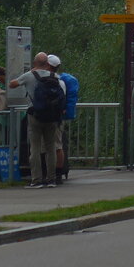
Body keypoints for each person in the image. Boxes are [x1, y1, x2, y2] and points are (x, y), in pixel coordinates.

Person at [9, 52, 64, 189]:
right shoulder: (55, 76)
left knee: (35, 148)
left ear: (34, 63)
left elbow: (12, 84)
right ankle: (51, 179)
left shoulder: (29, 76)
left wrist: (31, 71)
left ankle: (36, 180)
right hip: (51, 117)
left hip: (35, 115)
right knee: (51, 147)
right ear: (47, 64)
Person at [52, 55, 79, 185]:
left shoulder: (48, 80)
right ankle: (58, 174)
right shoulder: (62, 81)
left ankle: (47, 174)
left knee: (48, 146)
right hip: (59, 118)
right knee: (58, 145)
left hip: (45, 117)